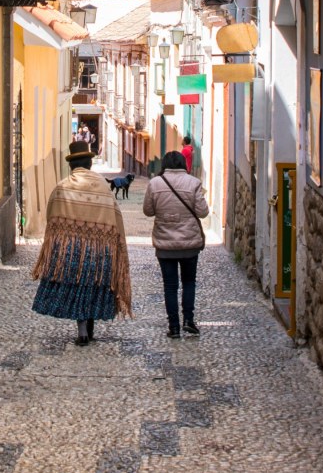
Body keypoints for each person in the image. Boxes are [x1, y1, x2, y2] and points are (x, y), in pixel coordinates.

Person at [32, 140, 133, 345]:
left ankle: (82, 331)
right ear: (90, 164)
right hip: (100, 250)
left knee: (77, 284)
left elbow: (51, 219)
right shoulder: (103, 187)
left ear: (71, 166)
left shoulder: (62, 187)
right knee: (92, 286)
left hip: (71, 250)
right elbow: (116, 217)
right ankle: (89, 326)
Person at [143, 150, 209, 338]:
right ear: (183, 164)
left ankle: (173, 327)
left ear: (164, 164)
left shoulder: (155, 183)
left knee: (170, 286)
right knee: (189, 282)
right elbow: (203, 212)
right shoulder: (194, 183)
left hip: (165, 245)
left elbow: (148, 211)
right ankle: (189, 320)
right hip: (189, 244)